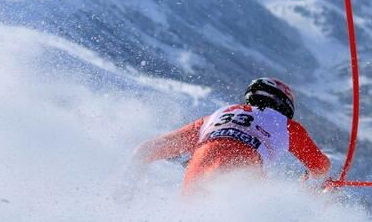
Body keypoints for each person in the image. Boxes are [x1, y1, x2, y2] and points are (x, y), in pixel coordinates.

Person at [125, 77, 331, 194]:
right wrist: (311, 185)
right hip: (240, 191)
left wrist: (124, 192)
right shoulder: (287, 126)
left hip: (192, 190)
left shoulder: (212, 118)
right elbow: (320, 166)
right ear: (285, 106)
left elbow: (145, 150)